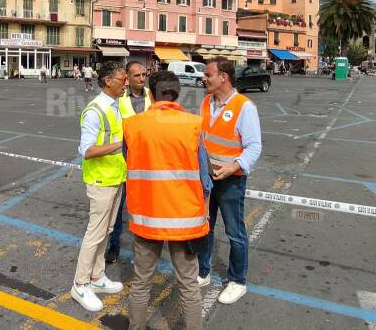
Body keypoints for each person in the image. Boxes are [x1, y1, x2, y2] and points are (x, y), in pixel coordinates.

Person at [123, 70, 210, 330]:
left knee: (141, 283)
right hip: (185, 219)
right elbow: (205, 178)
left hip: (147, 216)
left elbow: (131, 162)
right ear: (177, 93)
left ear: (151, 93)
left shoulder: (133, 125)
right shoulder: (193, 125)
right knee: (189, 284)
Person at [196, 57, 262, 305]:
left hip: (231, 180)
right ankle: (203, 272)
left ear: (223, 77)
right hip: (207, 179)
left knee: (235, 232)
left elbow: (254, 147)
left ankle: (237, 281)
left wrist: (233, 166)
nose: (204, 78)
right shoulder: (205, 102)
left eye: (208, 74)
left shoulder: (245, 107)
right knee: (205, 226)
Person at [71, 62, 127, 312]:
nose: (125, 83)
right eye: (122, 79)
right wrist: (120, 145)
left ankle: (97, 277)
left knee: (108, 229)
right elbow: (87, 150)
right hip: (101, 181)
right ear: (107, 80)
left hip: (115, 178)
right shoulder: (95, 110)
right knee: (95, 233)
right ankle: (80, 285)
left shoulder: (115, 106)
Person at [105, 61, 151, 264]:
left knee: (146, 207)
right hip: (124, 157)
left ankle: (146, 250)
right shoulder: (119, 98)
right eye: (137, 75)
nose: (142, 78)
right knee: (118, 206)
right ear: (128, 78)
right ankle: (114, 245)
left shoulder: (152, 94)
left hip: (148, 159)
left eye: (144, 74)